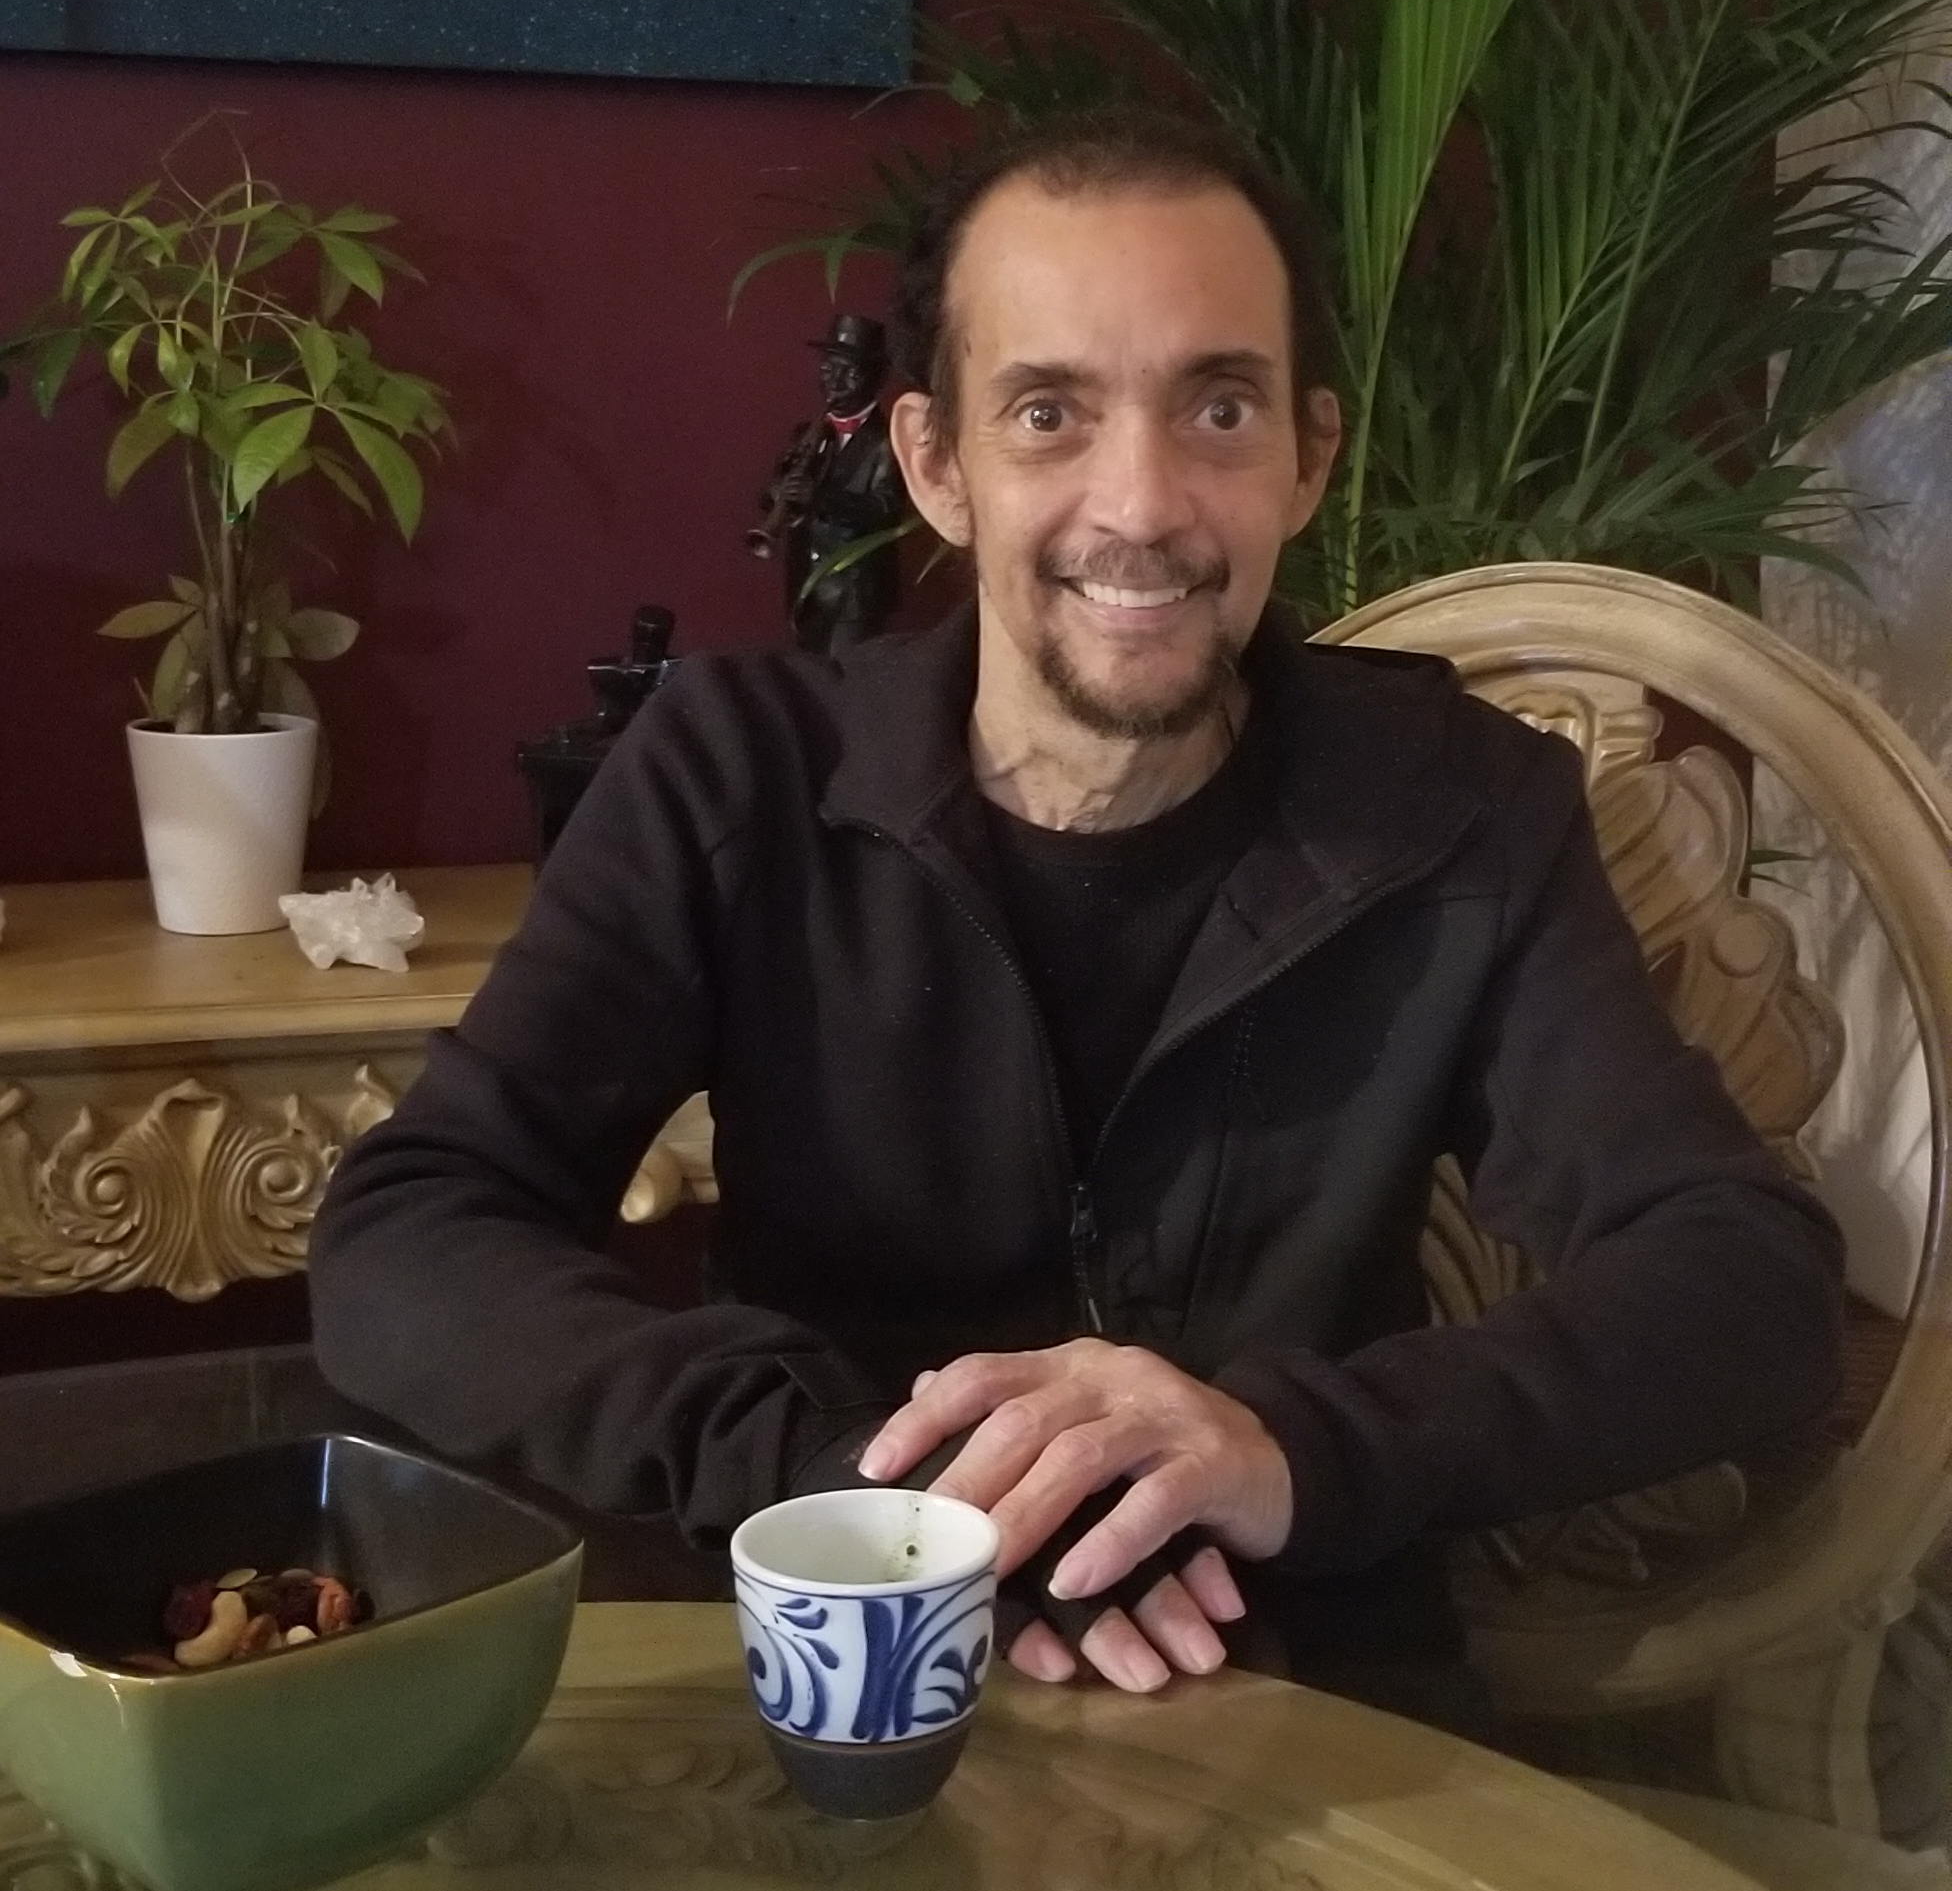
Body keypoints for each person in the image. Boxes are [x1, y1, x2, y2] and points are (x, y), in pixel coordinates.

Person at [310, 106, 1845, 1718]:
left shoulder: (1461, 806)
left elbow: (1750, 1282)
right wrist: (848, 1475)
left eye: (1219, 409)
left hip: (1310, 1704)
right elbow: (409, 1234)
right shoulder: (736, 773)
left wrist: (1289, 1448)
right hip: (840, 1672)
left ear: (1309, 457)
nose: (1143, 503)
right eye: (1049, 413)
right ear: (936, 464)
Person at [750, 314, 907, 654]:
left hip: (855, 594)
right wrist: (777, 493)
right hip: (806, 585)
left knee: (845, 676)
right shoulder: (805, 433)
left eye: (849, 372)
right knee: (809, 675)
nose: (834, 381)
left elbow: (887, 510)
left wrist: (820, 498)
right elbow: (770, 493)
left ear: (876, 378)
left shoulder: (887, 440)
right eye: (827, 368)